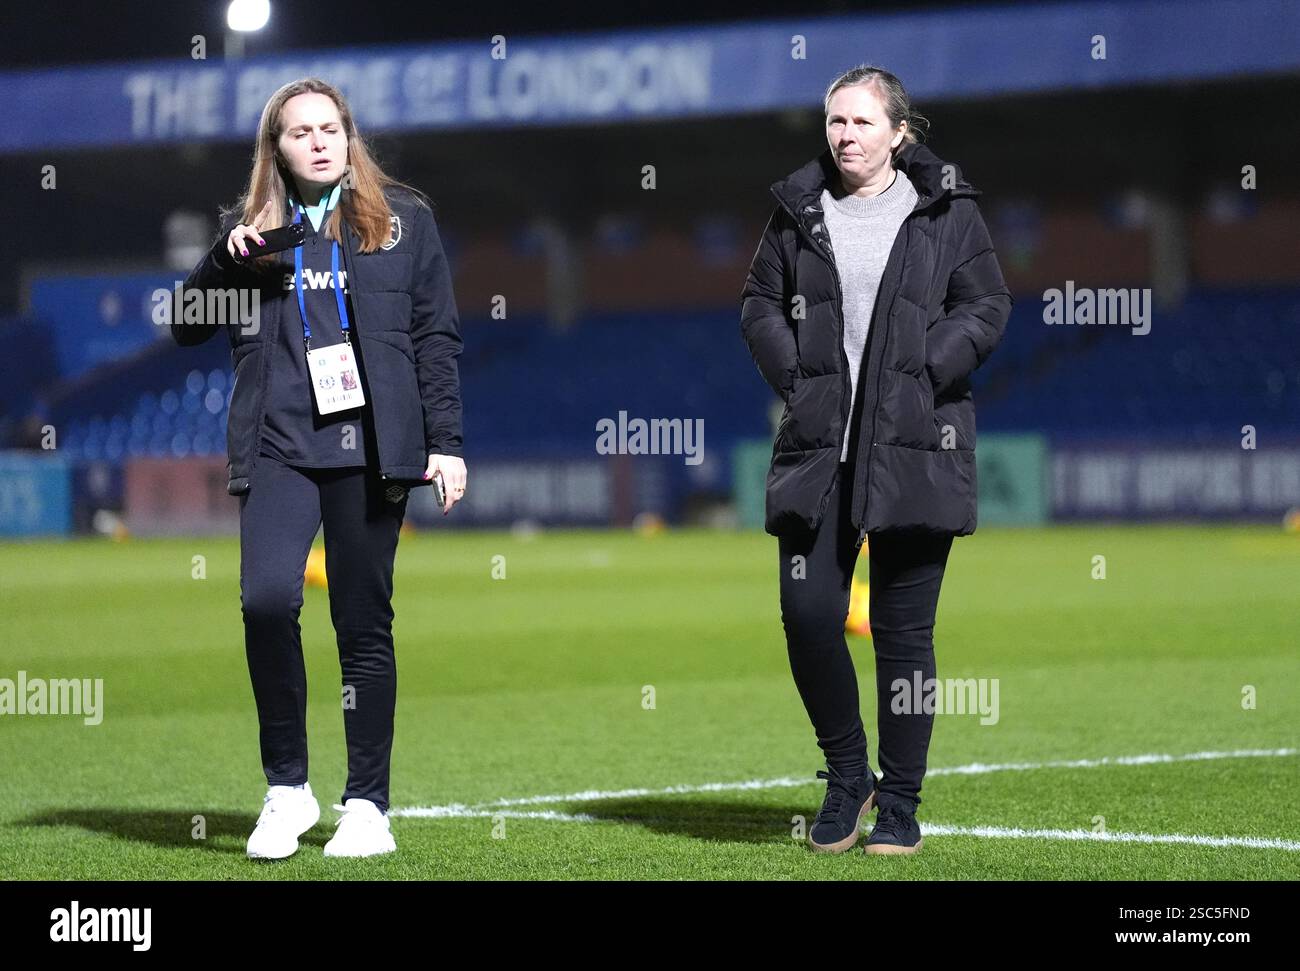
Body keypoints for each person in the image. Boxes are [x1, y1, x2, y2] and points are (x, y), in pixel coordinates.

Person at [171, 77, 468, 859]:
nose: (318, 141)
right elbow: (184, 329)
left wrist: (447, 440)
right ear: (277, 148)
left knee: (362, 624)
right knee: (267, 602)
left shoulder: (402, 220)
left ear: (349, 135)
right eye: (300, 131)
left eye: (330, 127)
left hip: (371, 448)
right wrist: (217, 264)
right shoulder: (247, 231)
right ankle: (287, 790)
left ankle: (368, 803)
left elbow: (436, 335)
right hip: (279, 444)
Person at [739, 65, 1013, 855]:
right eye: (834, 122)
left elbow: (989, 304)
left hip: (917, 446)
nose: (845, 135)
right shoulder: (798, 210)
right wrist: (798, 376)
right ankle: (846, 771)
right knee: (808, 618)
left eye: (861, 122)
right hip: (820, 450)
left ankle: (899, 804)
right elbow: (758, 302)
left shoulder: (947, 210)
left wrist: (928, 364)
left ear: (899, 131)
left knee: (904, 637)